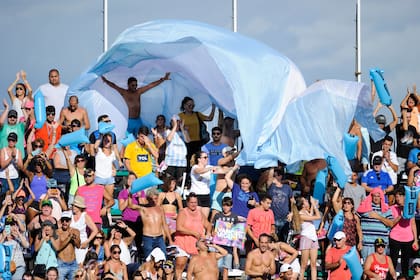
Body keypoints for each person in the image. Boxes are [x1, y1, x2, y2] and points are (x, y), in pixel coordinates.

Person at [101, 73, 170, 134]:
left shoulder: (138, 92)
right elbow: (114, 86)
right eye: (133, 85)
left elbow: (150, 86)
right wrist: (106, 81)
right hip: (129, 121)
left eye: (136, 85)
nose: (135, 87)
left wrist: (163, 79)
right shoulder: (124, 92)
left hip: (138, 120)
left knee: (141, 137)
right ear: (128, 85)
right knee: (128, 140)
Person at [173, 193, 212, 280]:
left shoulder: (199, 213)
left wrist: (208, 233)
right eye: (191, 202)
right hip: (182, 242)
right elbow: (179, 228)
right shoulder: (183, 212)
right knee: (180, 265)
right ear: (187, 203)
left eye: (195, 202)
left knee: (196, 269)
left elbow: (208, 225)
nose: (194, 204)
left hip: (196, 245)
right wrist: (193, 233)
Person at [129, 188, 173, 258]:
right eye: (151, 199)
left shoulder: (160, 209)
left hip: (160, 237)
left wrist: (170, 239)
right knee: (149, 259)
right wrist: (130, 195)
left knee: (163, 257)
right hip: (148, 238)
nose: (153, 201)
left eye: (155, 198)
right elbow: (131, 205)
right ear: (147, 199)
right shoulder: (143, 209)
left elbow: (164, 225)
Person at [357, 188, 394, 260]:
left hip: (381, 244)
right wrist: (360, 241)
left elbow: (391, 223)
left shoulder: (386, 209)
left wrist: (378, 217)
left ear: (381, 197)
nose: (376, 198)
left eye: (378, 196)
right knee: (367, 267)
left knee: (380, 267)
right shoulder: (364, 207)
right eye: (374, 196)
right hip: (367, 244)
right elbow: (356, 219)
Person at [389, 187, 418, 276]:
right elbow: (391, 223)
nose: (398, 198)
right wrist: (400, 216)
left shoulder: (410, 207)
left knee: (405, 262)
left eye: (400, 196)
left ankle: (405, 277)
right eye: (396, 196)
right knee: (393, 261)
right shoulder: (393, 208)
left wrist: (416, 240)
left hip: (408, 238)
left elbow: (413, 224)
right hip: (395, 237)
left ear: (405, 196)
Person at [178, 97, 216, 166]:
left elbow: (209, 118)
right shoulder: (180, 116)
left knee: (197, 160)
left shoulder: (197, 114)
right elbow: (176, 127)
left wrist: (213, 108)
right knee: (187, 160)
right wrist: (182, 128)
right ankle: (187, 175)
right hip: (186, 142)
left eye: (192, 105)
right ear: (184, 106)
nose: (191, 107)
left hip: (198, 142)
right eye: (189, 105)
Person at [291, 196, 321, 280]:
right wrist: (314, 206)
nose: (307, 201)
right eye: (306, 201)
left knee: (313, 263)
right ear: (303, 205)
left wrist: (312, 204)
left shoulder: (306, 212)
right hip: (306, 238)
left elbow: (311, 214)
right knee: (304, 264)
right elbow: (318, 217)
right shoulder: (301, 215)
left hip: (313, 238)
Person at [212, 197, 240, 277]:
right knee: (217, 266)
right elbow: (213, 229)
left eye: (227, 206)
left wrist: (235, 249)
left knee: (226, 268)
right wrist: (213, 233)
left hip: (229, 246)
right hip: (218, 245)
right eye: (224, 205)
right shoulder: (217, 215)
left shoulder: (234, 217)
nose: (225, 207)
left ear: (231, 206)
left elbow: (237, 231)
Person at [266, 166, 294, 242]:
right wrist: (272, 167)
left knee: (283, 240)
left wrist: (292, 213)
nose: (273, 177)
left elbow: (292, 201)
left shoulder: (287, 187)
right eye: (273, 176)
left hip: (285, 217)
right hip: (273, 217)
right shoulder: (271, 186)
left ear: (280, 176)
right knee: (272, 239)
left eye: (275, 175)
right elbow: (269, 178)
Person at [70, 196, 98, 264]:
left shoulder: (85, 216)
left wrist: (87, 241)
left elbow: (95, 230)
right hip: (70, 243)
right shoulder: (69, 215)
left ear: (80, 207)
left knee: (81, 264)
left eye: (76, 206)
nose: (74, 207)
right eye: (73, 205)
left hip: (82, 244)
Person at [161, 115, 189, 181]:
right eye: (174, 121)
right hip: (170, 162)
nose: (176, 122)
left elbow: (188, 140)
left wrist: (182, 128)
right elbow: (169, 139)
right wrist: (175, 126)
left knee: (180, 181)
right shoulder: (167, 131)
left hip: (181, 163)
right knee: (169, 181)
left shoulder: (184, 132)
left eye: (178, 121)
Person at [189, 151, 217, 219]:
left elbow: (219, 169)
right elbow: (199, 171)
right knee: (196, 218)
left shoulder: (208, 167)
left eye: (207, 157)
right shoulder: (195, 167)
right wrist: (210, 169)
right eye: (205, 157)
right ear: (199, 159)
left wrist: (231, 169)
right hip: (196, 195)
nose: (207, 159)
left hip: (206, 195)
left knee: (204, 219)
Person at [55, 211, 81, 280]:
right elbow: (58, 247)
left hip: (73, 263)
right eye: (63, 220)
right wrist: (69, 238)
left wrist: (74, 238)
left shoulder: (76, 231)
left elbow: (78, 245)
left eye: (67, 220)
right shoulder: (57, 232)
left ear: (70, 221)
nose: (64, 222)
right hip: (61, 263)